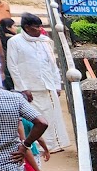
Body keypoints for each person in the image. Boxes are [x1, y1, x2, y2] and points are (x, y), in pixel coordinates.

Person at [5, 14, 70, 154]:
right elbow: (13, 66)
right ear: (27, 27)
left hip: (48, 85)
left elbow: (52, 64)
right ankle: (39, 146)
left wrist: (57, 84)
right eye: (36, 27)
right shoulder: (15, 42)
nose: (40, 30)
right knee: (36, 118)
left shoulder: (45, 41)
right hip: (30, 88)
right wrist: (23, 88)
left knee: (53, 116)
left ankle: (55, 145)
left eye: (40, 26)